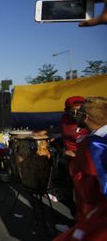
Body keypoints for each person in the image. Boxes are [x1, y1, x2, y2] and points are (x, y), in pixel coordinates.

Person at [54, 97, 107, 240]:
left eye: (79, 113)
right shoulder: (94, 139)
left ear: (86, 117)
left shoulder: (97, 145)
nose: (76, 117)